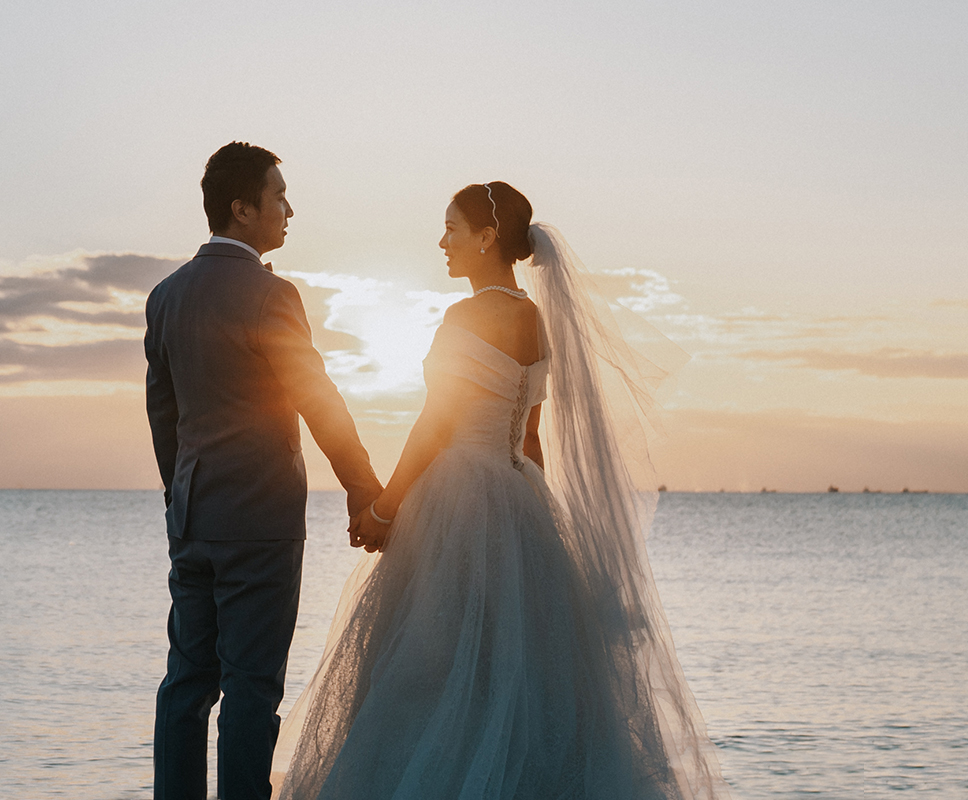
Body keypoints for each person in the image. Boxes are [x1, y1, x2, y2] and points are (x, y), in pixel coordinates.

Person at [273, 182, 731, 799]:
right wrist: (534, 508)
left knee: (432, 671)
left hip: (458, 497)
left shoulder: (465, 317)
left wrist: (385, 506)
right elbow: (531, 438)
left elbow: (437, 425)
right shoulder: (535, 322)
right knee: (515, 677)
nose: (442, 242)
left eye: (452, 229)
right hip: (520, 495)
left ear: (487, 237)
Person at [145, 141, 382, 800]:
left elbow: (163, 417)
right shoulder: (271, 294)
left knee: (186, 683)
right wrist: (364, 487)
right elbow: (316, 398)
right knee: (252, 687)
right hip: (259, 523)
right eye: (279, 197)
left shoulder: (166, 297)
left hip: (192, 519)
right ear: (243, 208)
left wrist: (179, 497)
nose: (289, 210)